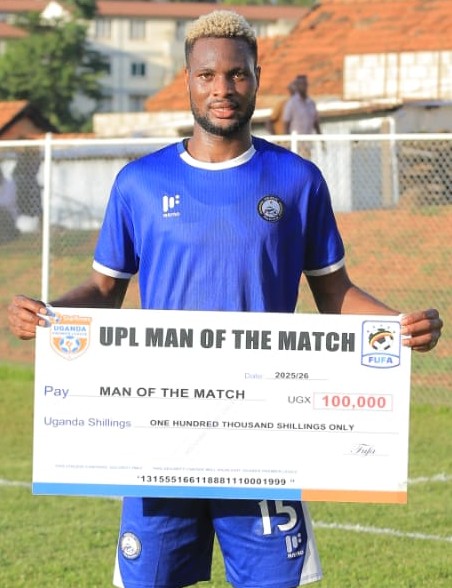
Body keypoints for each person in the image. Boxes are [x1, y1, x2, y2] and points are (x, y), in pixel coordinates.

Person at [8, 10, 443, 588]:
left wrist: (399, 326)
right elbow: (104, 290)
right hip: (160, 429)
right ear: (188, 80)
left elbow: (334, 292)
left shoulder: (297, 180)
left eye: (237, 74)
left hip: (261, 429)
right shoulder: (139, 182)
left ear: (257, 77)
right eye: (207, 75)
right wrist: (49, 315)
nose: (223, 88)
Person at [283, 75, 321, 158]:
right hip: (296, 145)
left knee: (307, 164)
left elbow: (316, 123)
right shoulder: (291, 103)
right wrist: (287, 143)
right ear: (297, 86)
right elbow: (286, 124)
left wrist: (322, 140)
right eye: (300, 84)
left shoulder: (311, 103)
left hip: (308, 145)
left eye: (304, 84)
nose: (303, 86)